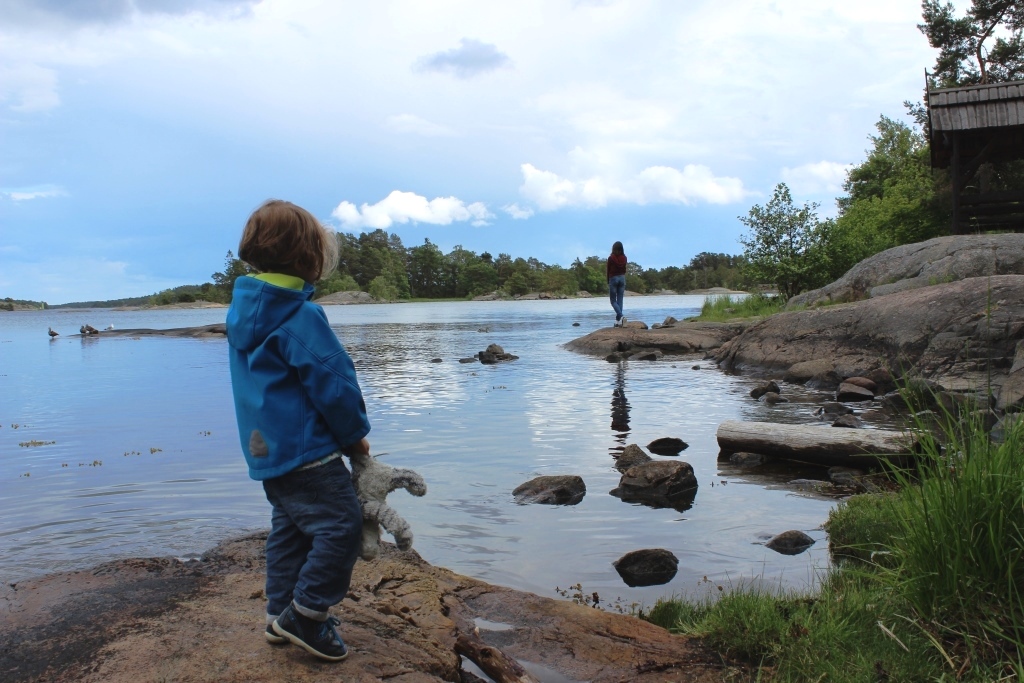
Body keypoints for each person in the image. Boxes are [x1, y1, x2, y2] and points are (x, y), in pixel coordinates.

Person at [226, 199, 369, 663]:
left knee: (290, 529)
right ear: (308, 257)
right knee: (341, 526)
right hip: (311, 452)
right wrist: (355, 437)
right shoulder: (299, 315)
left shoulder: (245, 311)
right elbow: (334, 382)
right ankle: (306, 615)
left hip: (267, 451)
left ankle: (278, 614)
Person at [606, 241, 627, 327]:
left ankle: (621, 317)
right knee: (620, 300)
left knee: (613, 301)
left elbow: (608, 270)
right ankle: (618, 321)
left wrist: (608, 280)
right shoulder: (624, 258)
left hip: (613, 278)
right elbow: (624, 269)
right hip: (622, 278)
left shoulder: (611, 258)